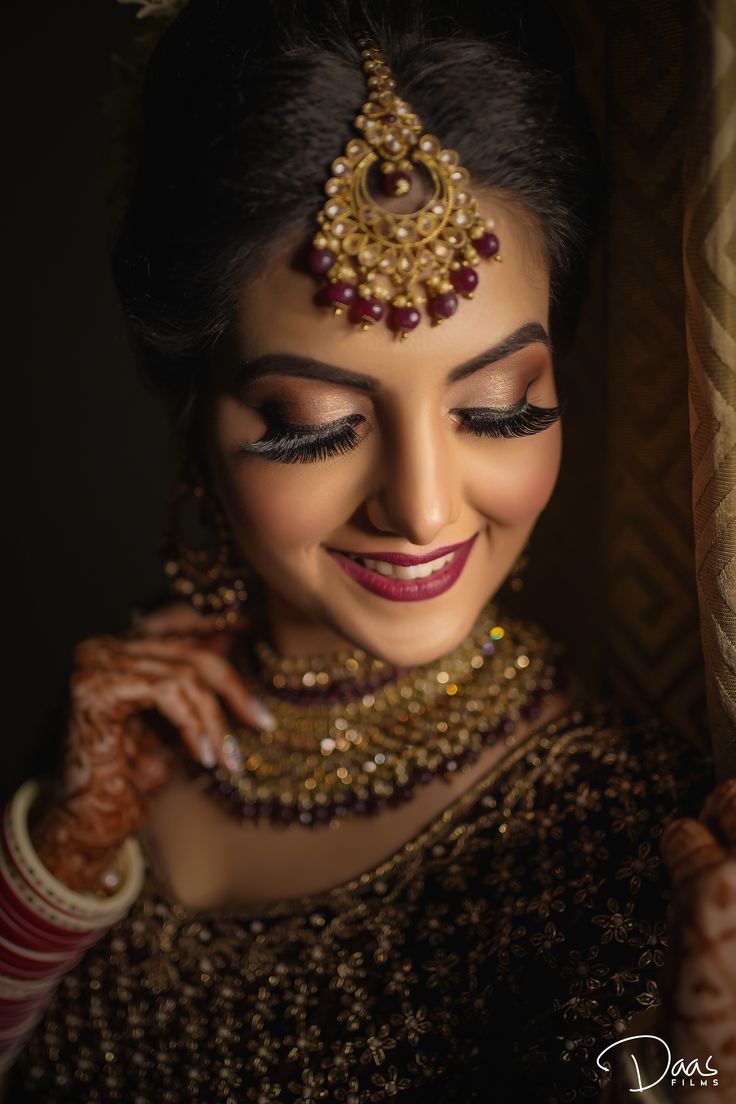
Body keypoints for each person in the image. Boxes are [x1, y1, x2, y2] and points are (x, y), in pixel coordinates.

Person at [2, 1, 736, 1100]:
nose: (424, 508)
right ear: (194, 413)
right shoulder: (109, 744)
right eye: (313, 422)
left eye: (495, 409)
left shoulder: (628, 839)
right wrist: (54, 871)